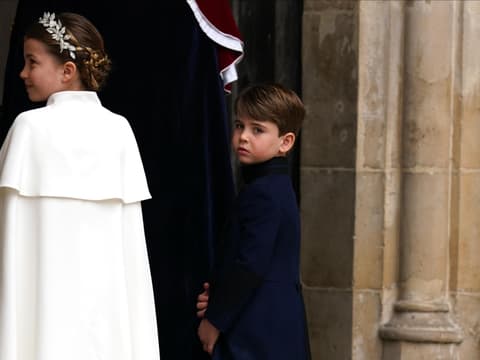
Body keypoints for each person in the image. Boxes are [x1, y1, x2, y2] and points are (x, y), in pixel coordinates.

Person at [0, 12, 160, 360]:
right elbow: (131, 264)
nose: (23, 73)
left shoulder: (28, 127)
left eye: (32, 62)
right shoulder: (119, 130)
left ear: (67, 70)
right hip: (106, 324)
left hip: (40, 313)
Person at [196, 83, 311, 359]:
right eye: (239, 125)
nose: (243, 136)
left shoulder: (266, 193)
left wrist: (214, 320)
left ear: (286, 142)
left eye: (257, 129)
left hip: (259, 332)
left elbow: (251, 265)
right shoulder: (269, 186)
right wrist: (217, 296)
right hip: (265, 324)